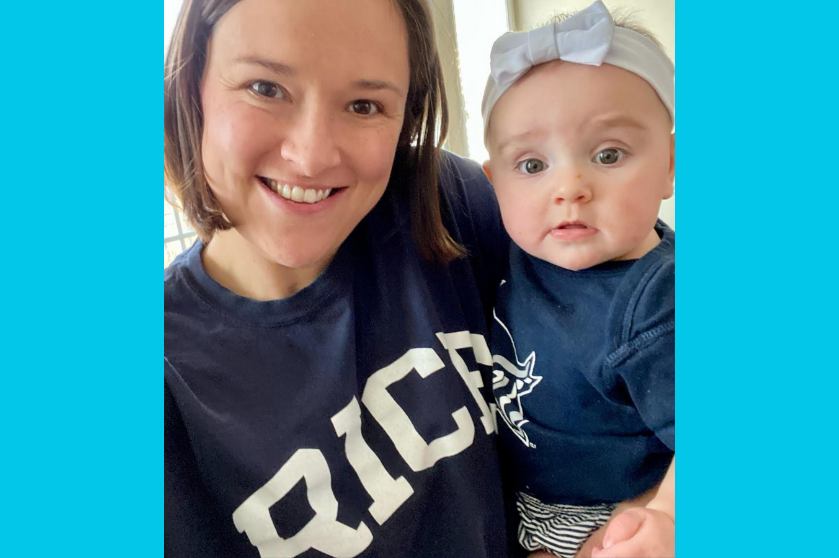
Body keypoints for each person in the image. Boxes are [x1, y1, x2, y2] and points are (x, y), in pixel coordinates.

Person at [163, 0, 512, 556]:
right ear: (190, 84)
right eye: (265, 88)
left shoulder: (446, 204)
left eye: (365, 104)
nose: (311, 155)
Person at [480, 2, 675, 557]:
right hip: (525, 493)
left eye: (608, 154)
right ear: (494, 185)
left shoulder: (657, 299)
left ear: (668, 164)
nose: (570, 187)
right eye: (532, 166)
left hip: (612, 510)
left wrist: (666, 518)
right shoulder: (519, 249)